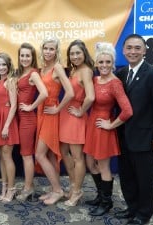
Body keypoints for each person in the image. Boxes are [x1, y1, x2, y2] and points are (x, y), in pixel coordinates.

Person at [115, 34, 153, 225]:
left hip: (145, 136)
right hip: (123, 136)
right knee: (127, 176)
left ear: (144, 51)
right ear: (123, 50)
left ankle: (144, 214)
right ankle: (132, 208)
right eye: (129, 48)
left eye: (137, 48)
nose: (133, 52)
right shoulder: (120, 74)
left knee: (144, 178)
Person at [83, 42, 133, 216]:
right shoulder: (95, 79)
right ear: (96, 63)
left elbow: (127, 111)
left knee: (104, 167)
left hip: (103, 129)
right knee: (90, 163)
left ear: (113, 63)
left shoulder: (115, 83)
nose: (104, 65)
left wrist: (110, 125)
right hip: (91, 125)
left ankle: (106, 202)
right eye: (101, 62)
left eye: (108, 62)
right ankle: (99, 195)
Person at [35, 37, 74, 205]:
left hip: (51, 112)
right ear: (42, 50)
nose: (48, 52)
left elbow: (70, 92)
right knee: (50, 154)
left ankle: (58, 190)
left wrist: (57, 109)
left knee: (39, 154)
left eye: (52, 49)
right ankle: (54, 188)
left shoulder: (57, 67)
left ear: (56, 51)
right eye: (46, 49)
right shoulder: (43, 68)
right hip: (41, 112)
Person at [59, 39, 95, 206]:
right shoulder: (74, 70)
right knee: (63, 152)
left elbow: (91, 96)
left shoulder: (86, 71)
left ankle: (78, 191)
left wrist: (81, 111)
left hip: (75, 117)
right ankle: (73, 185)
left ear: (84, 53)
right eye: (71, 53)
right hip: (66, 115)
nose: (74, 56)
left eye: (77, 53)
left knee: (77, 157)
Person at [15, 43, 48, 201]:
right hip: (21, 119)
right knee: (25, 154)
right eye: (22, 55)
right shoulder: (22, 72)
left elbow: (44, 93)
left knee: (27, 155)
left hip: (28, 120)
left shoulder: (33, 73)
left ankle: (28, 189)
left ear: (32, 57)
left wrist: (30, 107)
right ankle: (30, 185)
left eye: (28, 55)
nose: (24, 58)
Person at [0, 52, 19, 202]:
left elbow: (14, 105)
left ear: (9, 66)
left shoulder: (11, 81)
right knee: (1, 157)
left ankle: (12, 189)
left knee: (7, 156)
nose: (1, 67)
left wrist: (6, 126)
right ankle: (4, 186)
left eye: (3, 64)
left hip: (6, 122)